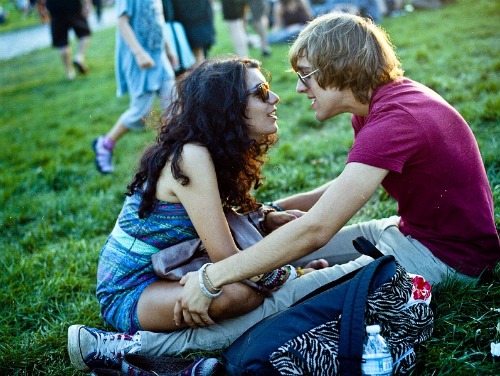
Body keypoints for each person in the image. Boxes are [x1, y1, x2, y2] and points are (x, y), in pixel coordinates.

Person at [67, 13, 500, 368]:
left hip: (445, 257)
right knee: (281, 259)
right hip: (412, 232)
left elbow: (316, 230)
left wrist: (213, 278)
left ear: (338, 68)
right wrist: (271, 216)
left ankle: (135, 348)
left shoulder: (393, 121)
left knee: (291, 294)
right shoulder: (379, 109)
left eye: (305, 75)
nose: (296, 89)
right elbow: (344, 189)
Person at [69, 57, 322, 371]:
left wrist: (267, 217)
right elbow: (228, 258)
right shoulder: (190, 155)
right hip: (131, 290)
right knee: (239, 296)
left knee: (247, 283)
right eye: (261, 92)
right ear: (226, 107)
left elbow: (225, 221)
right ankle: (131, 349)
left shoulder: (212, 151)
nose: (275, 98)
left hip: (176, 266)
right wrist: (294, 276)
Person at [92, 0, 177, 174]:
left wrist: (168, 49)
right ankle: (105, 144)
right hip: (139, 60)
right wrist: (139, 53)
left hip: (158, 56)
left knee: (173, 104)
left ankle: (174, 152)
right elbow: (122, 22)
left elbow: (157, 21)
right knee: (140, 112)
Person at [44, 0, 92, 80]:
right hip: (72, 4)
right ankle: (79, 57)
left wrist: (41, 9)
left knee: (62, 42)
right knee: (84, 33)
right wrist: (87, 4)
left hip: (54, 6)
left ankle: (70, 72)